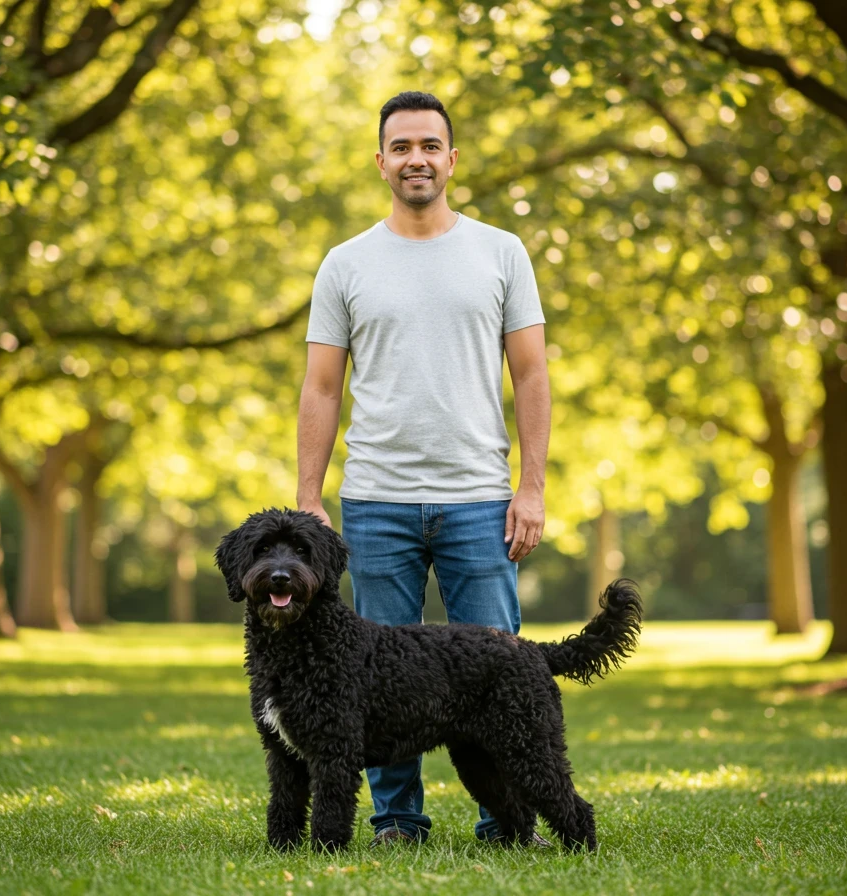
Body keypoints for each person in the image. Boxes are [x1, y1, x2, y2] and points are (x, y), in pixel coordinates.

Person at [296, 91, 552, 847]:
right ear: (381, 161)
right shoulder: (346, 264)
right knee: (368, 676)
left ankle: (507, 822)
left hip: (480, 497)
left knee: (494, 673)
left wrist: (531, 486)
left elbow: (531, 376)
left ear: (452, 159)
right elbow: (320, 386)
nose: (416, 158)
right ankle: (396, 821)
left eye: (430, 146)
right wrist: (309, 498)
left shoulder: (501, 252)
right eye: (401, 146)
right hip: (376, 500)